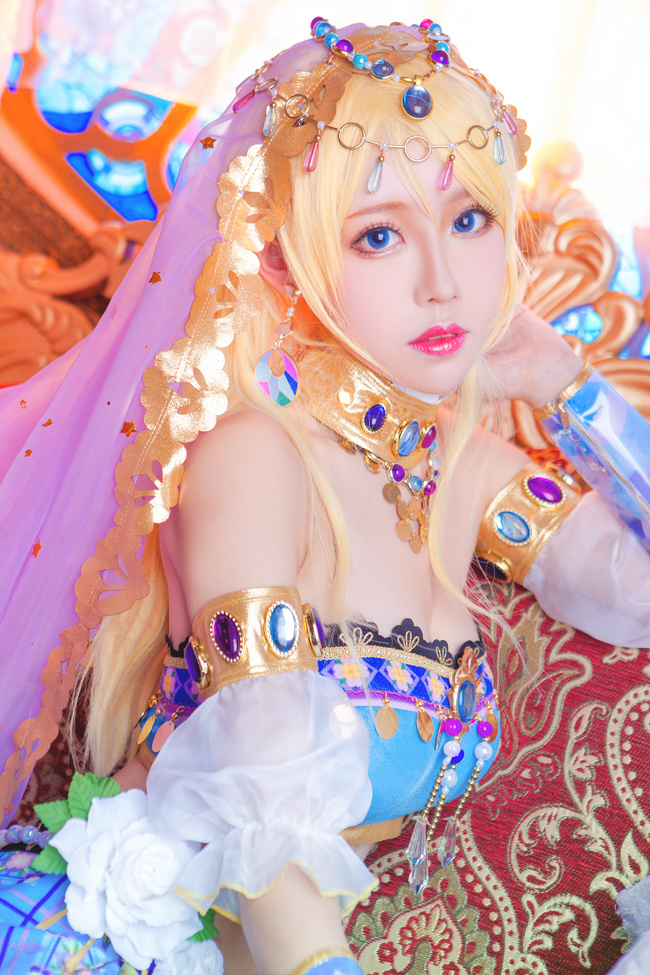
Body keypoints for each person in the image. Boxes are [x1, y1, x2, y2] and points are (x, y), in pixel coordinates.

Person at [0, 17, 649, 975]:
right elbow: (261, 818)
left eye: (469, 218)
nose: (442, 283)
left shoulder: (466, 466)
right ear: (284, 257)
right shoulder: (250, 452)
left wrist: (572, 387)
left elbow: (639, 589)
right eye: (379, 235)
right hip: (108, 949)